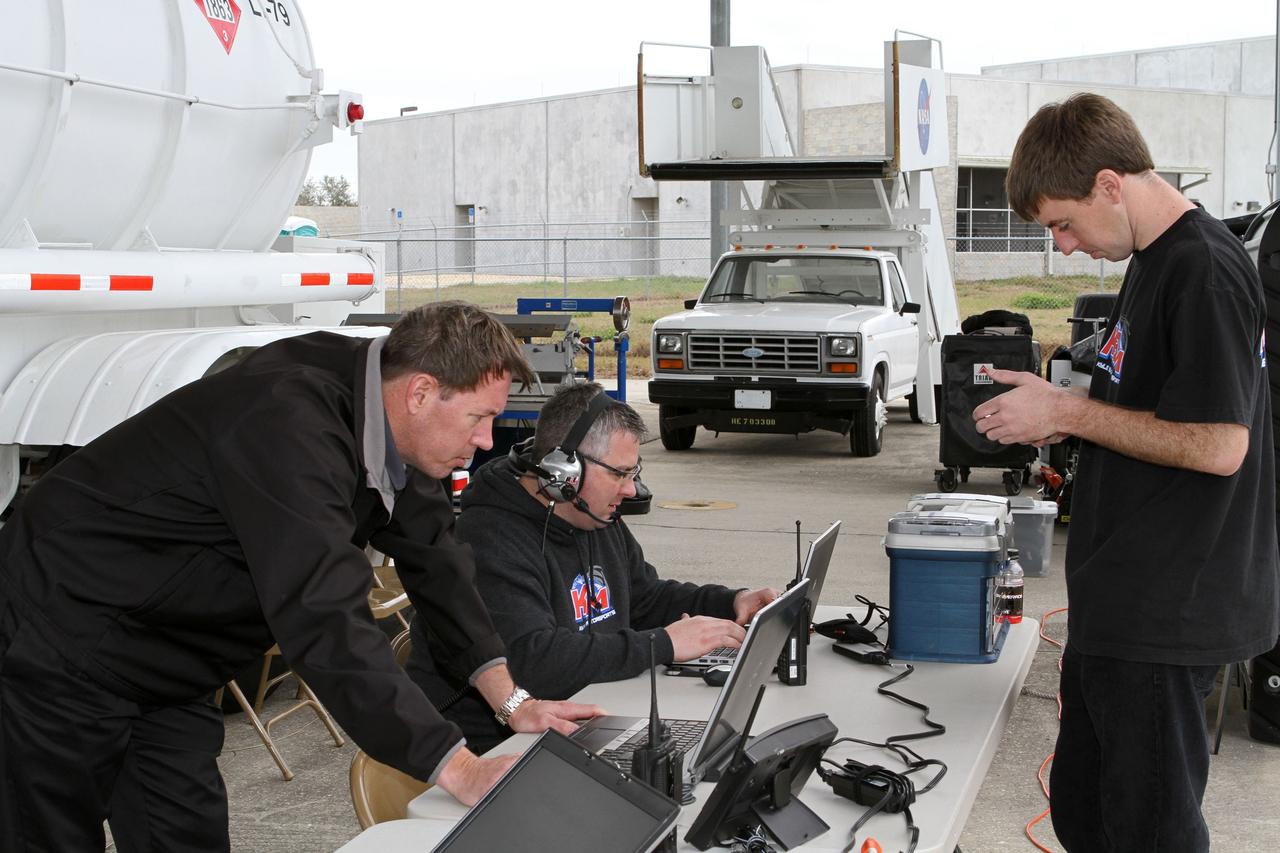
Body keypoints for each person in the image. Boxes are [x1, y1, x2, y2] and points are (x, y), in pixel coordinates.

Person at [0, 302, 602, 852]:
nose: (485, 440)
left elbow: (437, 559)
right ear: (421, 391)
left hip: (166, 662)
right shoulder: (287, 423)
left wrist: (513, 702)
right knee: (48, 838)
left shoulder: (388, 418)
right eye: (479, 417)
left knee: (185, 835)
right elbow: (324, 617)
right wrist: (457, 767)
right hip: (59, 636)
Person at [972, 93, 1280, 851]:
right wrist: (1058, 405)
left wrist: (1068, 415)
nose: (1065, 246)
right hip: (1123, 606)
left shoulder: (1202, 270)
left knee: (1148, 833)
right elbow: (1153, 407)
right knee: (1087, 816)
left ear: (1111, 183)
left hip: (1166, 613)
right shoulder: (1151, 260)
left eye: (1063, 223)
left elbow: (1219, 444)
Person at [407, 382, 779, 751]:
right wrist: (662, 644)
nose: (630, 490)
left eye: (633, 474)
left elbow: (642, 597)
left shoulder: (595, 516)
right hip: (495, 749)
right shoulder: (490, 536)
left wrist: (730, 603)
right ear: (562, 474)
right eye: (618, 474)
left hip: (583, 719)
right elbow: (534, 662)